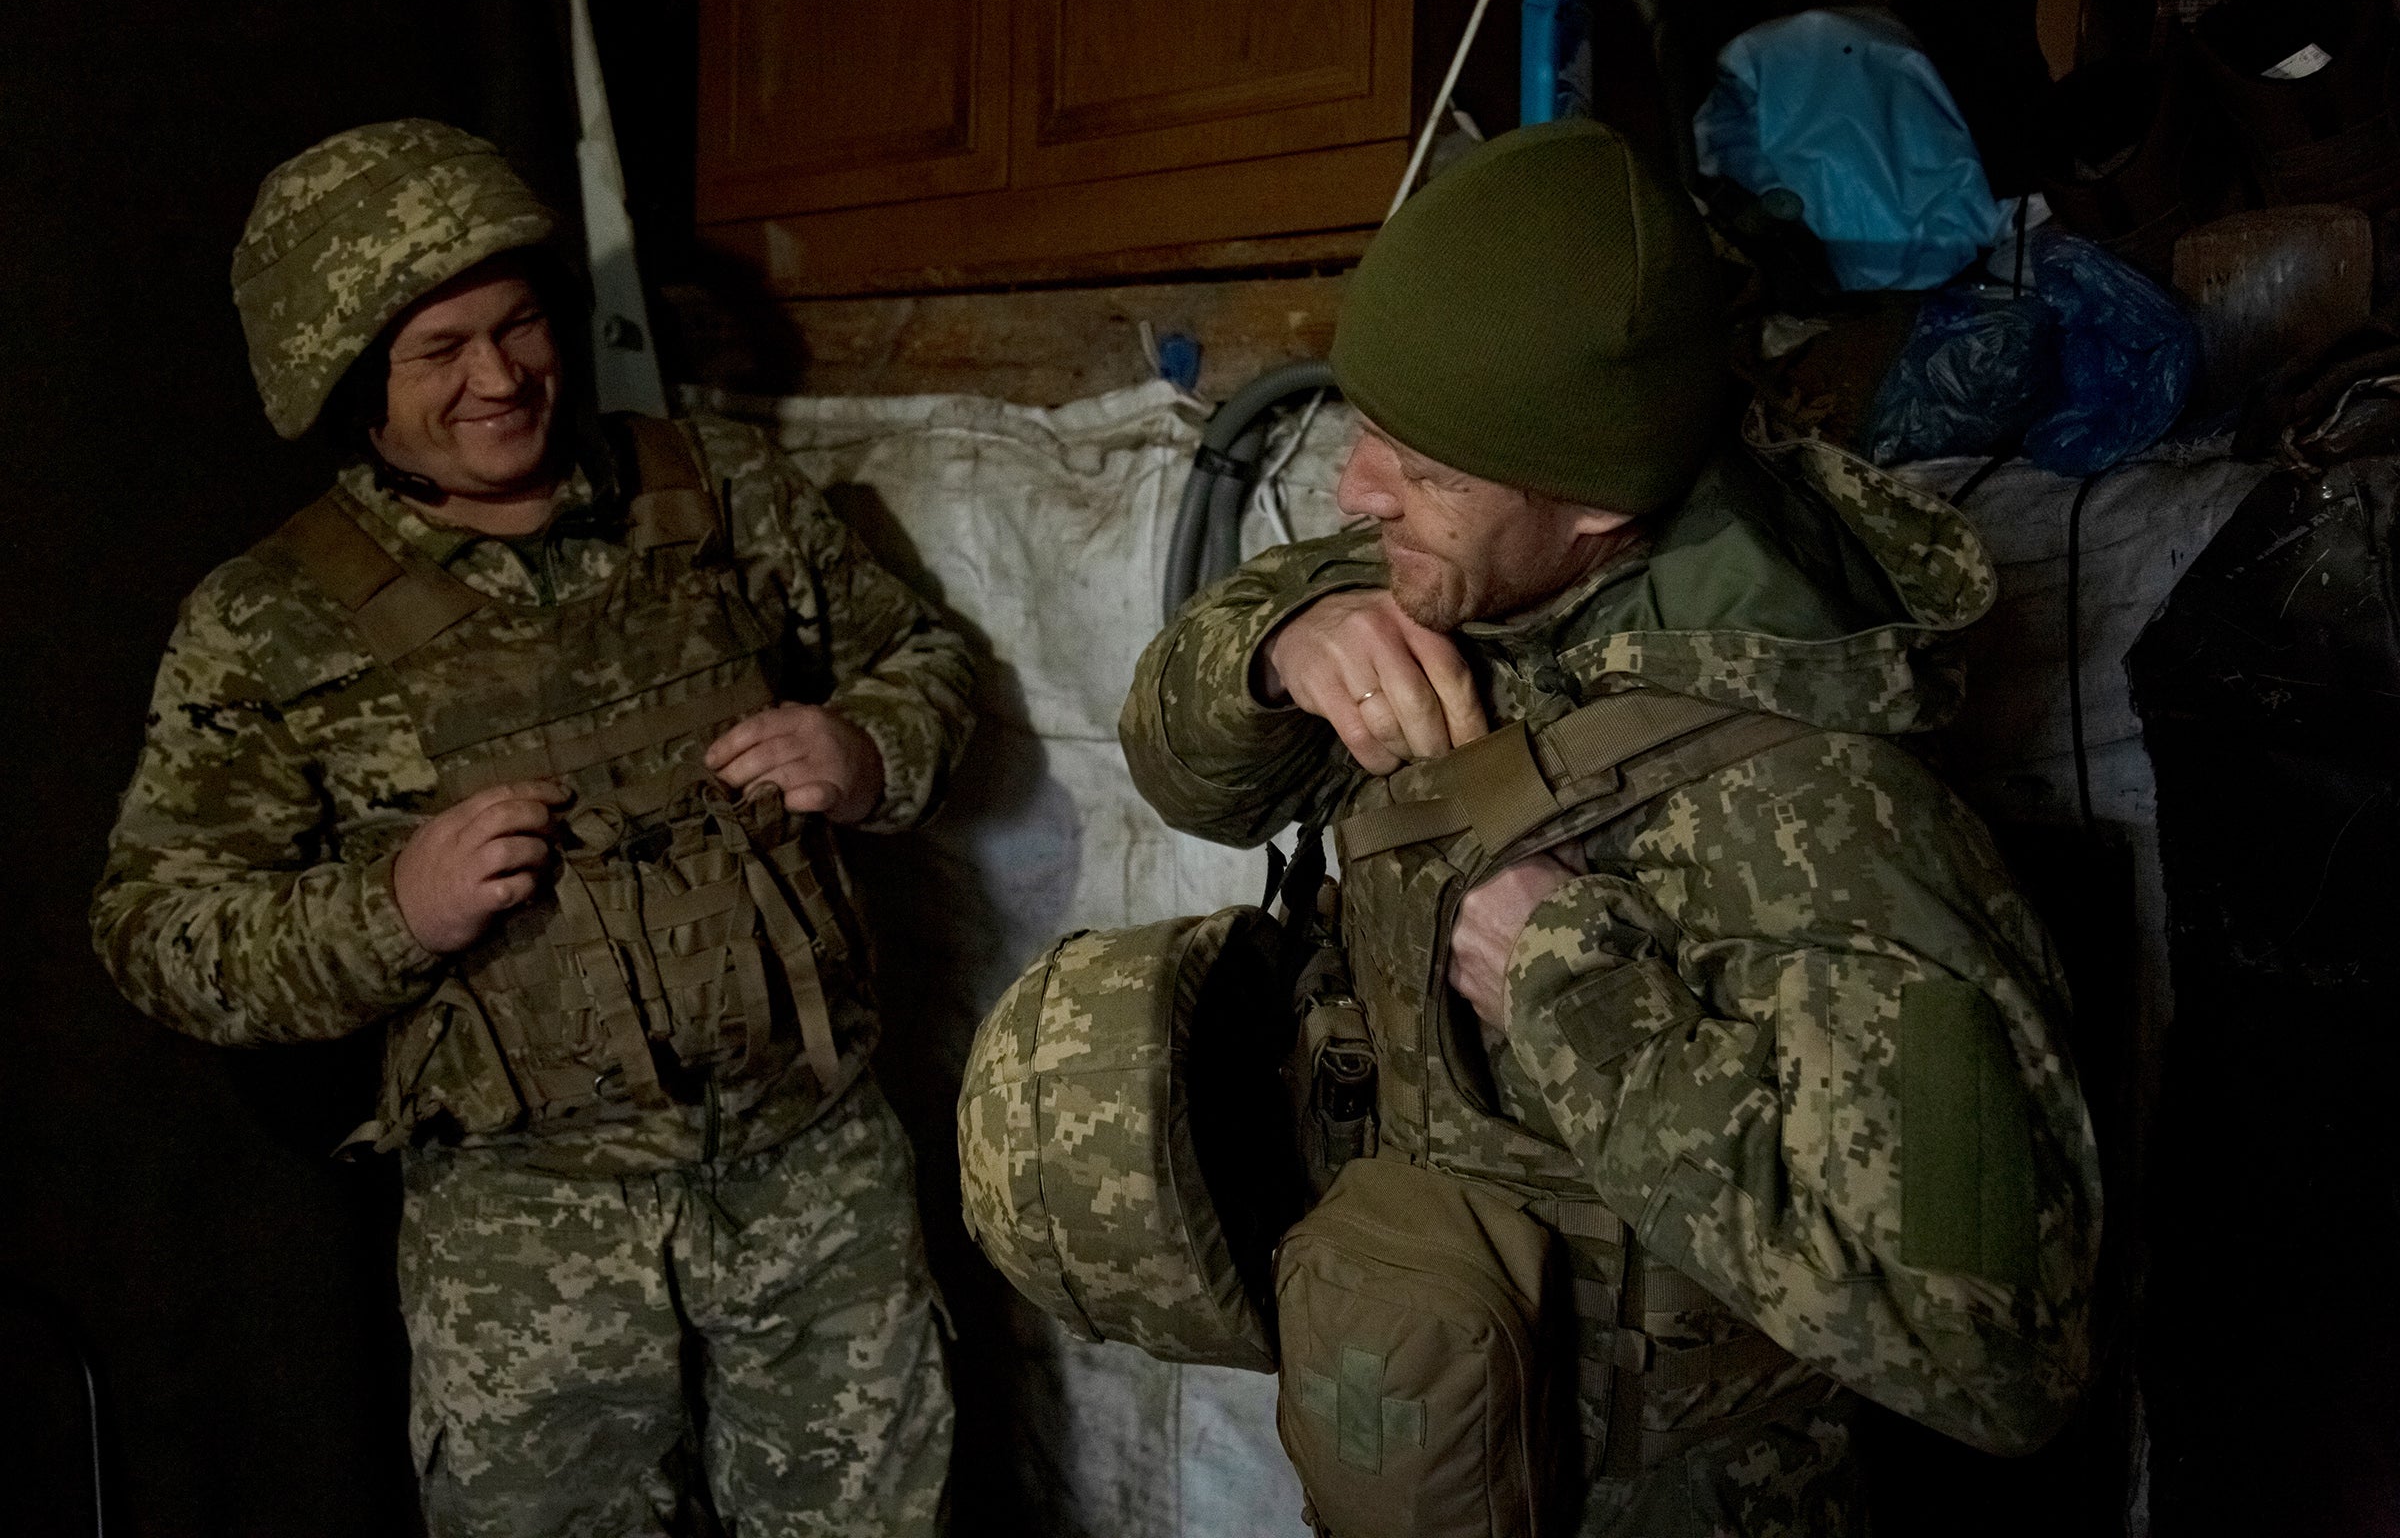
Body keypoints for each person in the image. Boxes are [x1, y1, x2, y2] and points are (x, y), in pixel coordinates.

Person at [1119, 120, 2101, 1535]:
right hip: (1422, 1432)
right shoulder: (1466, 563)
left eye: (1424, 467)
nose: (1354, 489)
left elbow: (2002, 1356)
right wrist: (1281, 645)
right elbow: (1182, 771)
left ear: (1595, 505)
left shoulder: (1831, 819)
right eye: (1365, 428)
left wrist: (1567, 986)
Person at [91, 119, 969, 1537]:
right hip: (527, 1224)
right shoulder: (269, 621)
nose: (501, 379)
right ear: (344, 380)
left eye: (517, 327)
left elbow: (918, 657)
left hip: (815, 1172)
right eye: (439, 352)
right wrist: (393, 907)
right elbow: (157, 933)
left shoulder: (722, 494)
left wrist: (865, 751)